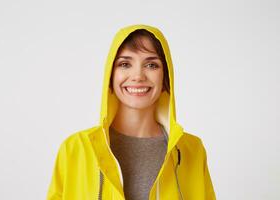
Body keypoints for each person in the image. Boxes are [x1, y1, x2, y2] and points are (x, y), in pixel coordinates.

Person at [47, 24, 216, 200]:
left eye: (151, 65)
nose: (138, 76)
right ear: (110, 75)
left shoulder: (191, 150)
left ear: (166, 76)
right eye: (125, 64)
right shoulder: (75, 149)